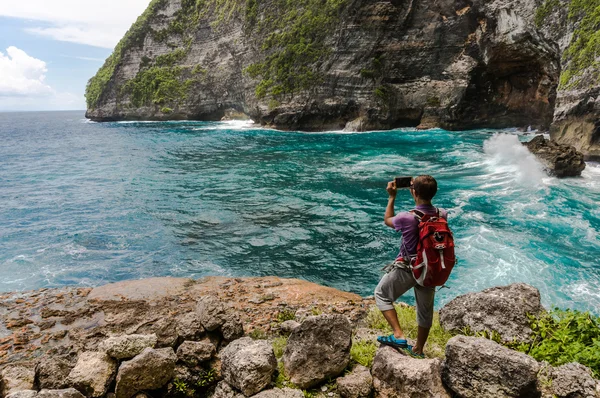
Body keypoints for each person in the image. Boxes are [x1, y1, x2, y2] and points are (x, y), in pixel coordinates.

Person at [374, 175, 447, 358]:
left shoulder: (406, 218)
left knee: (381, 294)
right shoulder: (442, 214)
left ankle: (398, 334)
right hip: (431, 267)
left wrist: (392, 197)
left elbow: (388, 220)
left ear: (413, 192)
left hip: (408, 268)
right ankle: (419, 350)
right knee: (425, 310)